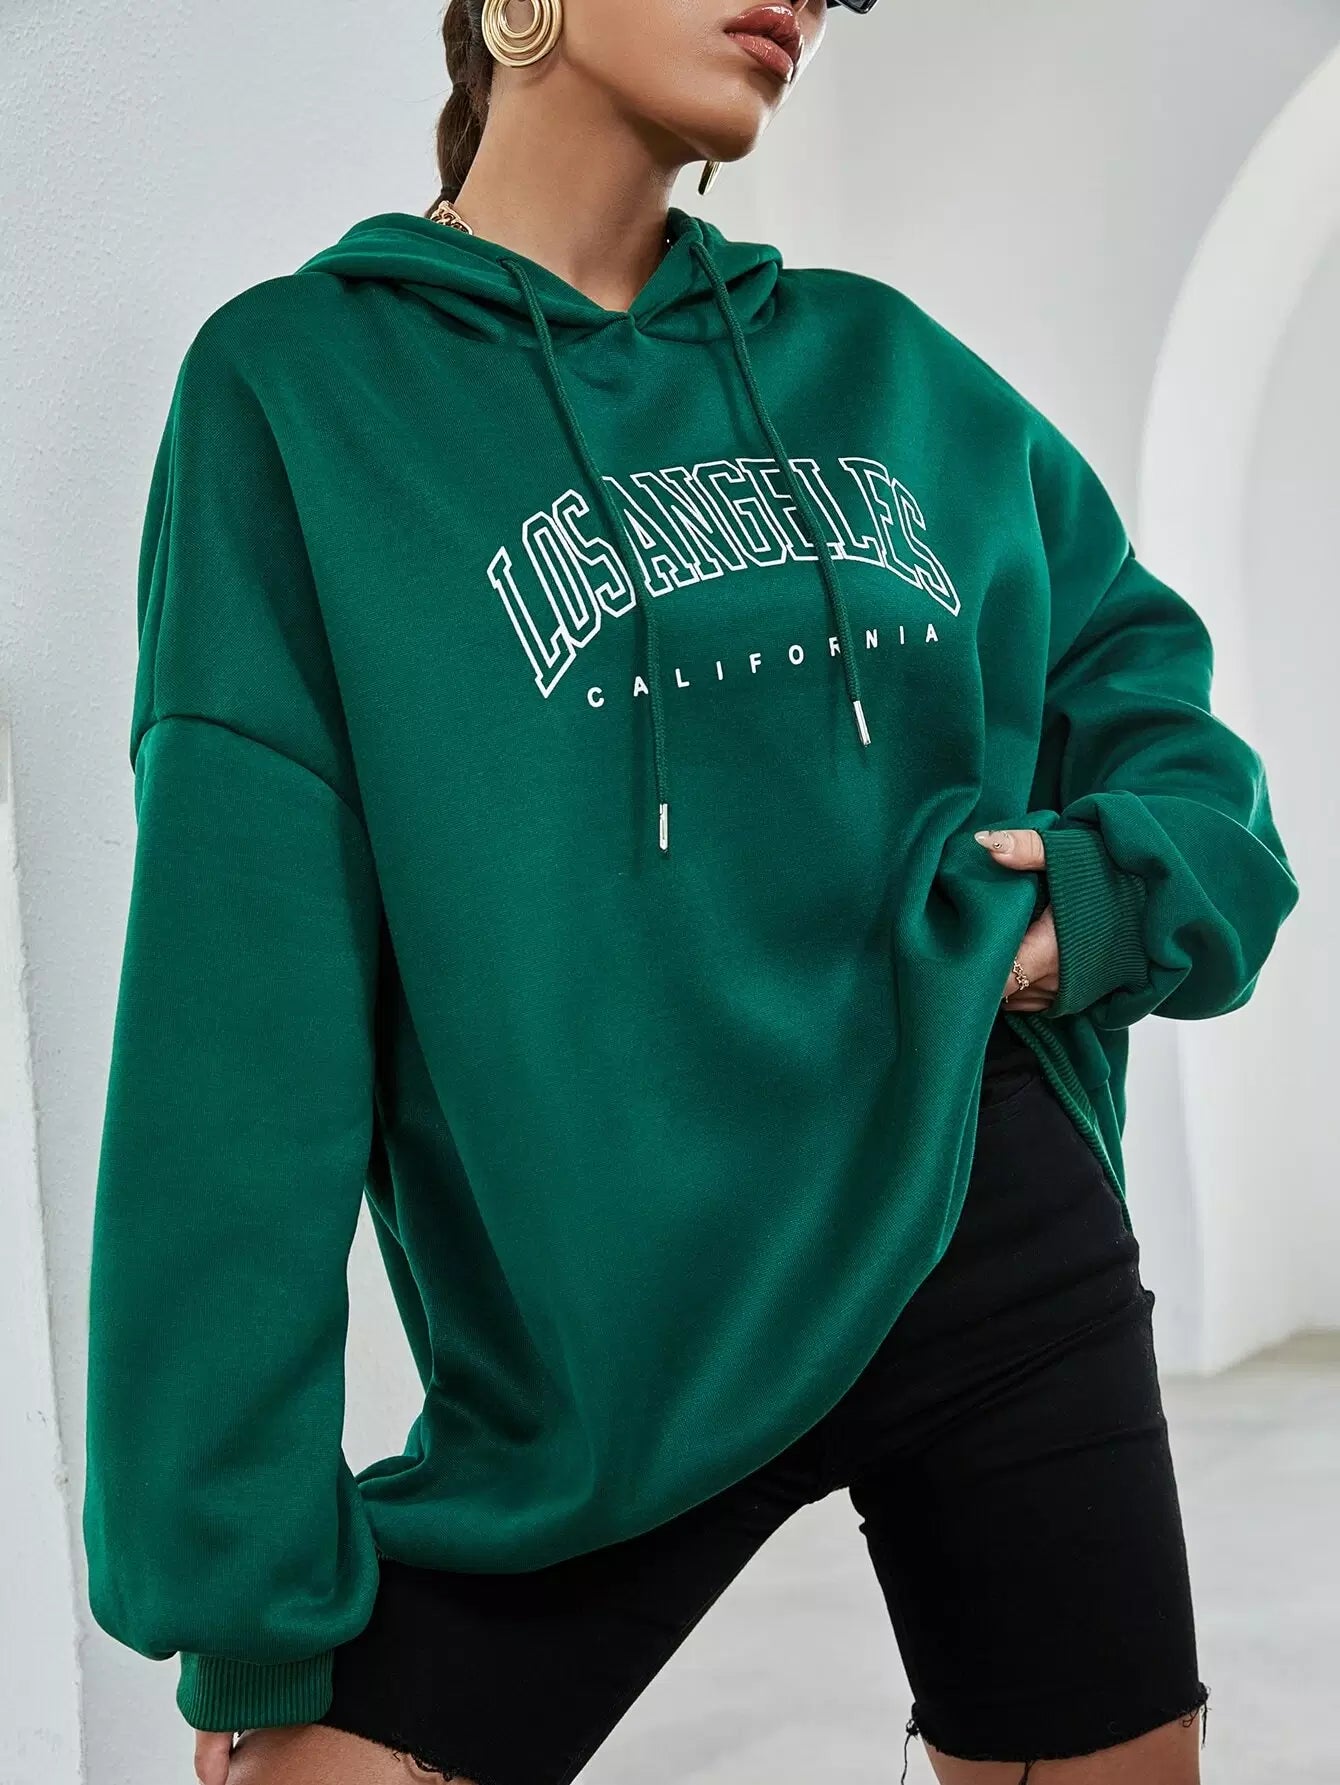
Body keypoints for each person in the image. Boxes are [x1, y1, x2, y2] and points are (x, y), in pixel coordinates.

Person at [81, 1, 1300, 1782]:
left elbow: (1152, 696)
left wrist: (1094, 910)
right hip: (613, 1353)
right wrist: (244, 1582)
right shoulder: (300, 396)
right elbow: (236, 1035)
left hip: (988, 1242)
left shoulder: (883, 368)